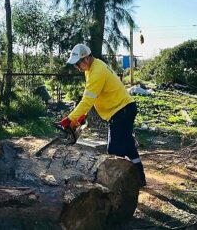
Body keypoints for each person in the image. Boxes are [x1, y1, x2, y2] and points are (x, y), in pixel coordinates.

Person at [60, 43, 147, 187]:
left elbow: (87, 100)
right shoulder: (92, 68)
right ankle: (140, 179)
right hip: (123, 109)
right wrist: (82, 116)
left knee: (114, 150)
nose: (77, 67)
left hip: (121, 111)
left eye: (77, 64)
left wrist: (70, 119)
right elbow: (92, 97)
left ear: (86, 59)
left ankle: (118, 185)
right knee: (128, 146)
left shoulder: (97, 72)